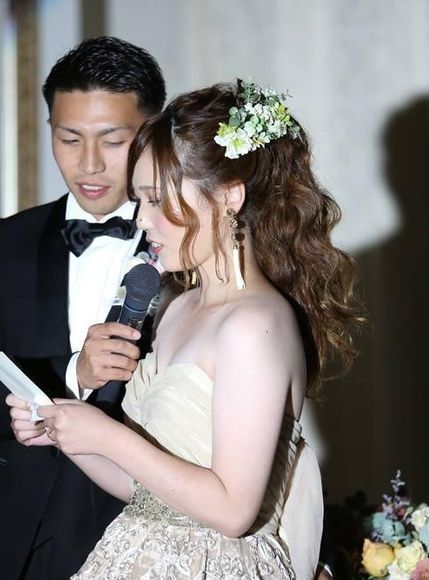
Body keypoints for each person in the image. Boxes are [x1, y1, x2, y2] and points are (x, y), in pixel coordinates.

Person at [8, 79, 364, 578]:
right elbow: (146, 489)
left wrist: (108, 436)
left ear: (229, 196)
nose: (142, 220)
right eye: (140, 200)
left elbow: (233, 510)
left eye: (158, 200)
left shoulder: (255, 325)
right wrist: (64, 431)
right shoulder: (175, 308)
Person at [0, 36, 166, 579]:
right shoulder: (7, 245)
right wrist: (73, 374)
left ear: (153, 132)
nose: (89, 164)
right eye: (69, 138)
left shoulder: (199, 249)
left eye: (113, 141)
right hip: (19, 540)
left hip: (150, 541)